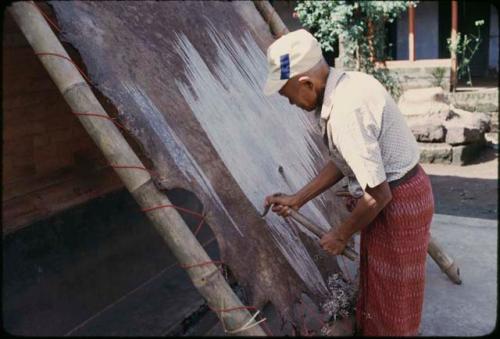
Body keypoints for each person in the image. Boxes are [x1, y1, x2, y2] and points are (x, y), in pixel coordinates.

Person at [262, 29, 434, 336]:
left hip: (397, 204)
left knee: (393, 302)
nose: (290, 104)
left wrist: (340, 234)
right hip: (400, 195)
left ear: (306, 83)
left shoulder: (345, 112)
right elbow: (344, 162)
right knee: (379, 288)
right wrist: (298, 199)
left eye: (287, 96)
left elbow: (377, 196)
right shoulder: (347, 84)